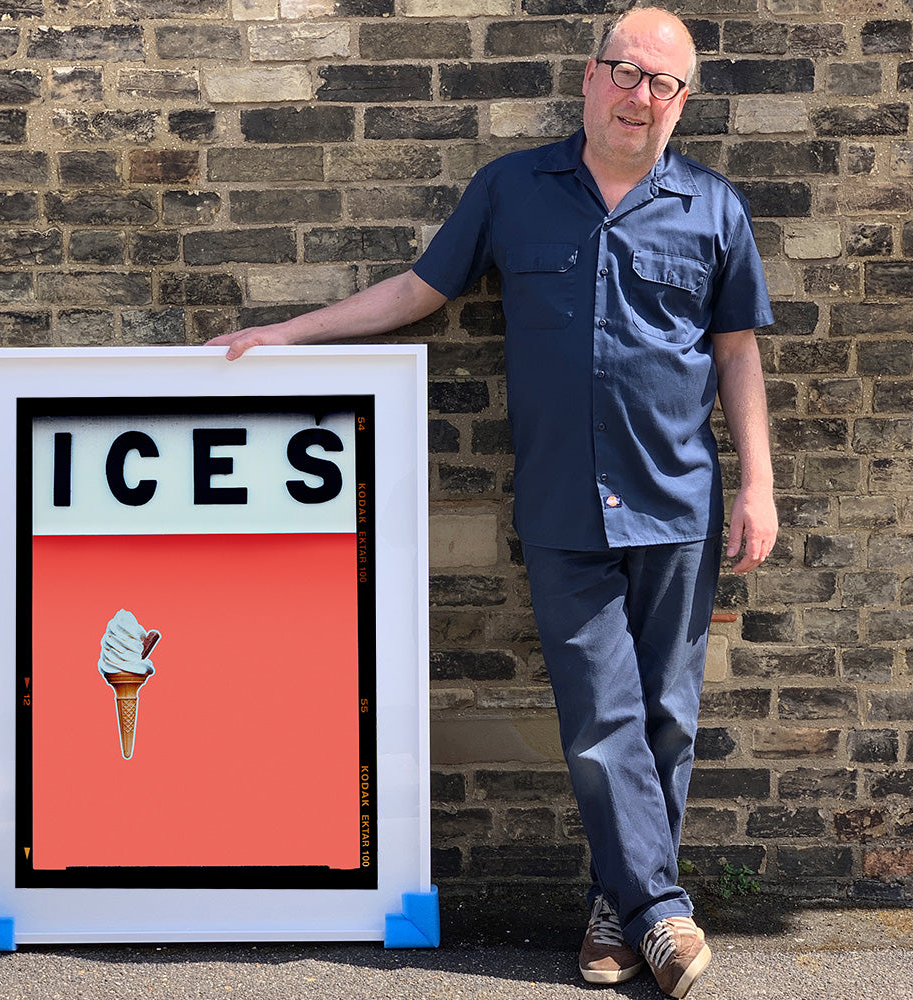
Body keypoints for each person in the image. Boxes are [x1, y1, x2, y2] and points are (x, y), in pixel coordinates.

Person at [208, 7, 778, 997]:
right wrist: (291, 334)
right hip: (564, 502)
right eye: (626, 73)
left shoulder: (713, 209)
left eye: (664, 85)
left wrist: (761, 483)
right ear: (588, 75)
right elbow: (418, 290)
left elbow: (736, 353)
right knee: (603, 719)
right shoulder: (512, 189)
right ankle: (660, 912)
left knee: (667, 718)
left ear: (683, 102)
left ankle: (619, 912)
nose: (641, 96)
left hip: (680, 499)